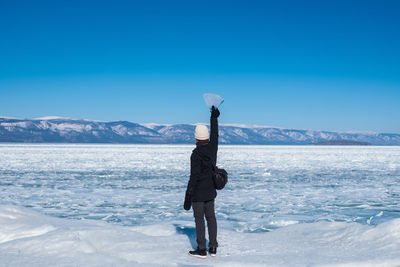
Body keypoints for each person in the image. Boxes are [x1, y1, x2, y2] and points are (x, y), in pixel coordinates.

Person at [184, 106, 220, 259]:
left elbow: (194, 177)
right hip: (210, 191)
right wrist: (214, 117)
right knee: (211, 218)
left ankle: (201, 250)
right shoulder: (212, 149)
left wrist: (188, 196)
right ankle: (212, 247)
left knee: (199, 220)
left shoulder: (196, 154)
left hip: (198, 194)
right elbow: (215, 134)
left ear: (196, 137)